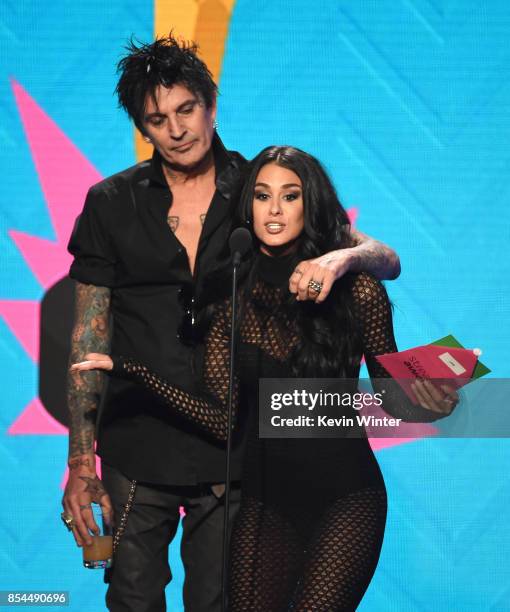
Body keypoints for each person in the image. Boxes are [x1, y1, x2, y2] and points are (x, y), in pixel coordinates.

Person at [62, 36, 401, 612]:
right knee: (132, 600)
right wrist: (79, 463)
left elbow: (382, 256)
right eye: (156, 119)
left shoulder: (260, 186)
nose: (176, 129)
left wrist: (337, 259)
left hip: (240, 452)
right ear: (143, 128)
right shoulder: (109, 203)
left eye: (186, 109)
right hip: (138, 443)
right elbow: (88, 335)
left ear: (211, 104)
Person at [72, 146, 459, 611]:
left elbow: (394, 398)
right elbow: (221, 419)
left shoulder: (357, 290)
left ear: (309, 205)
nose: (274, 209)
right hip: (262, 504)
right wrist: (132, 371)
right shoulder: (230, 295)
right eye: (262, 195)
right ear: (248, 206)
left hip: (347, 499)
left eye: (290, 196)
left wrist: (432, 402)